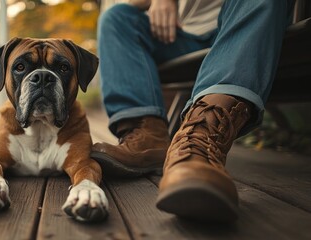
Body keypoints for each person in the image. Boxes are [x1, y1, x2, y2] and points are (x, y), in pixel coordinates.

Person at [92, 0, 295, 222]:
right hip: (180, 35)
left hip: (243, 21)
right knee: (116, 17)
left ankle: (202, 138)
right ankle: (147, 135)